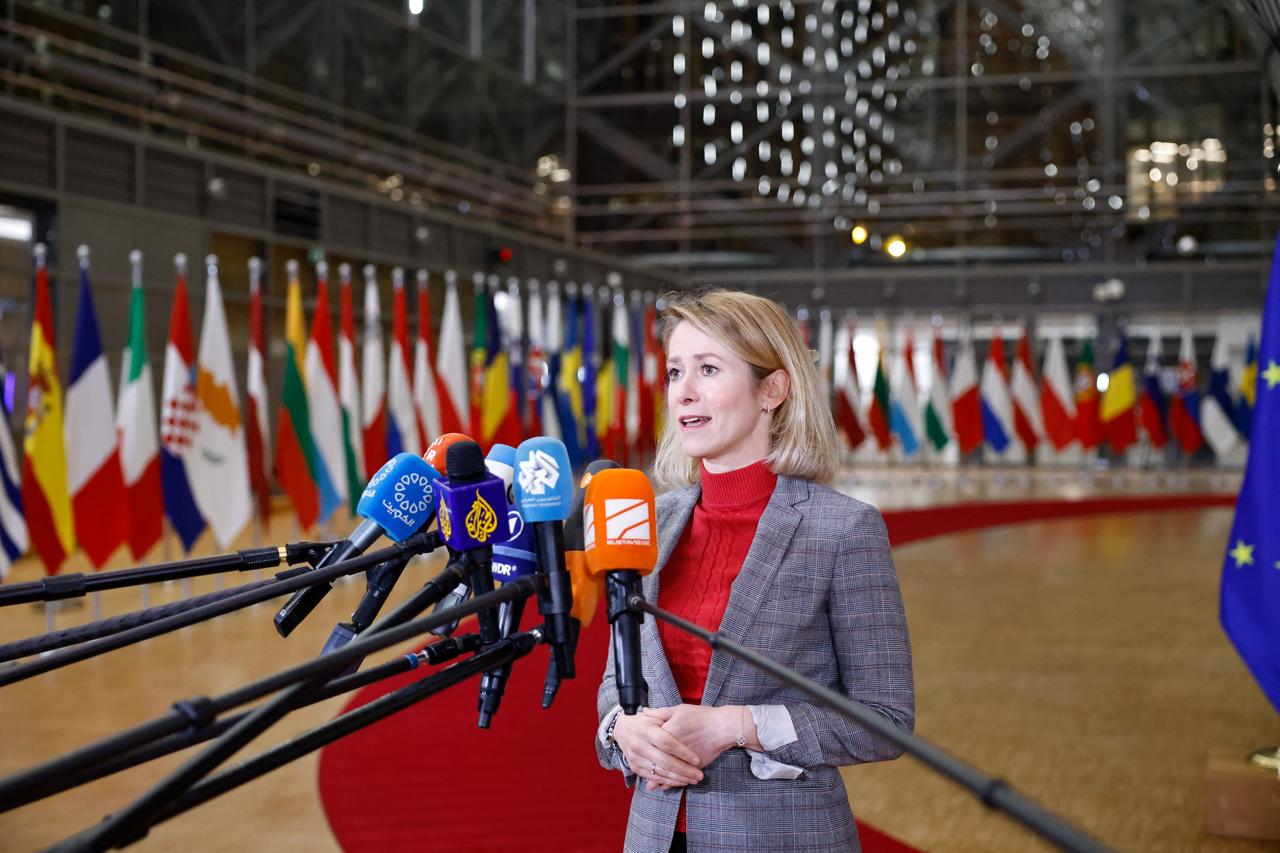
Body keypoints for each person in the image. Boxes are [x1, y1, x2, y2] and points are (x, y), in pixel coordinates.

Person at [594, 289, 915, 853]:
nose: (683, 392)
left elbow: (884, 719)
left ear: (772, 389)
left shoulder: (842, 529)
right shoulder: (647, 519)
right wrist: (621, 731)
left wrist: (736, 725)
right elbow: (615, 686)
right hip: (651, 836)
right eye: (674, 372)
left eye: (709, 369)